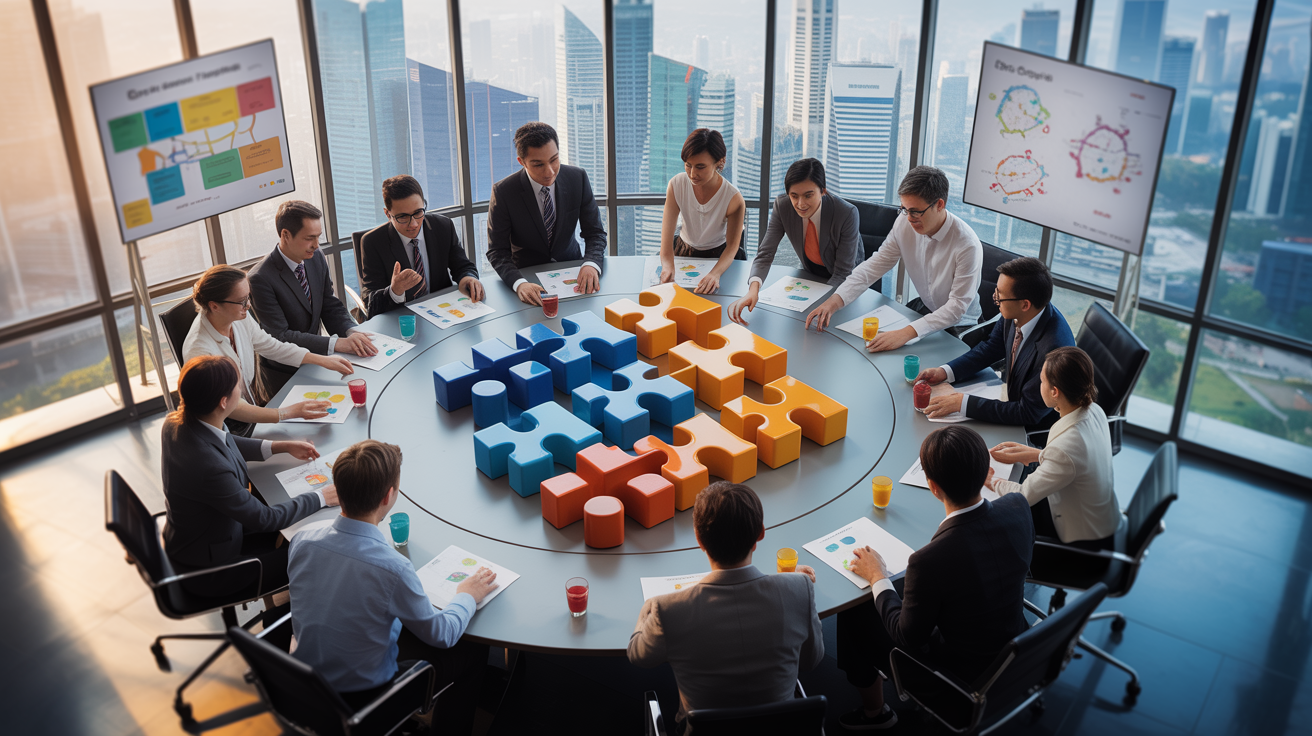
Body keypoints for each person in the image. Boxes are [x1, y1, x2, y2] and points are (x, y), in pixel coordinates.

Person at [289, 439, 497, 735]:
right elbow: (443, 635)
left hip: (307, 686)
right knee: (472, 650)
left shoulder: (302, 540)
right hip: (365, 700)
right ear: (389, 495)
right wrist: (466, 596)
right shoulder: (392, 567)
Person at [836, 425, 1033, 731]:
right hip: (1015, 646)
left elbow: (907, 637)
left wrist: (877, 576)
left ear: (933, 487)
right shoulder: (1018, 506)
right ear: (987, 472)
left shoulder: (929, 560)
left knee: (854, 612)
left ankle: (875, 713)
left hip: (957, 675)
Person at [628, 482, 824, 728]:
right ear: (760, 533)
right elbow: (811, 660)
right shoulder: (800, 588)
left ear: (699, 539)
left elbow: (638, 655)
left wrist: (649, 607)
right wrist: (786, 583)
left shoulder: (667, 610)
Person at [161, 355, 337, 601]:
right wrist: (322, 496)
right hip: (215, 567)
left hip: (199, 536)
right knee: (322, 552)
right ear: (224, 402)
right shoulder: (209, 467)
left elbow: (224, 440)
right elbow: (265, 519)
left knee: (299, 528)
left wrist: (280, 446)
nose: (241, 389)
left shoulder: (178, 420)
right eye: (236, 386)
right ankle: (294, 618)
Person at [805, 166, 983, 351]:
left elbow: (956, 308)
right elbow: (874, 265)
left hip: (960, 324)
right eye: (904, 209)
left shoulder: (967, 244)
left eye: (915, 211)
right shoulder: (904, 223)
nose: (909, 218)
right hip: (927, 306)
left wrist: (905, 333)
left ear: (939, 204)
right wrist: (835, 300)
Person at [183, 265, 354, 434]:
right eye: (242, 301)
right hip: (228, 427)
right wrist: (287, 413)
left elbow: (270, 346)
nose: (248, 305)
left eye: (248, 297)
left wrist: (322, 360)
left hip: (252, 407)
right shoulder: (199, 350)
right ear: (214, 306)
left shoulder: (236, 315)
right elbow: (229, 406)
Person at [987, 346, 1120, 561]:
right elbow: (1075, 460)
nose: (1039, 385)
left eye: (1042, 381)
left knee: (996, 524)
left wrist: (990, 480)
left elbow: (1023, 496)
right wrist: (1034, 454)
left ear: (1055, 392)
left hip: (1082, 536)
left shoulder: (1066, 447)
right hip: (1100, 516)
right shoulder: (1094, 409)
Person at [918, 257, 1075, 429]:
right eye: (996, 291)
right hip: (1009, 394)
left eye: (1000, 295)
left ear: (1025, 305)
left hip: (1031, 429)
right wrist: (946, 371)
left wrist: (962, 404)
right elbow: (991, 348)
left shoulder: (1053, 350)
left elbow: (1028, 412)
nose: (995, 299)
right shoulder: (1017, 312)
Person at [248, 200, 377, 397]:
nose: (316, 245)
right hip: (285, 373)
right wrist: (336, 344)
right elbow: (281, 336)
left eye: (318, 237)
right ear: (285, 235)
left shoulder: (316, 256)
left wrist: (351, 331)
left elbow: (329, 303)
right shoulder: (260, 279)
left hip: (318, 362)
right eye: (310, 238)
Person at [487, 122, 606, 306]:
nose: (549, 172)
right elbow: (497, 251)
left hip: (573, 272)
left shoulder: (578, 178)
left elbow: (595, 233)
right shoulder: (504, 192)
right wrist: (520, 284)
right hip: (527, 278)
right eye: (538, 164)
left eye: (554, 159)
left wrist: (591, 263)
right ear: (522, 161)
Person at [730, 157, 861, 324]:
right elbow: (765, 253)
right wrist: (753, 290)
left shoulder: (847, 213)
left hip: (845, 282)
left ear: (823, 191)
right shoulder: (783, 206)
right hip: (812, 273)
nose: (800, 204)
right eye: (794, 196)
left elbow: (843, 273)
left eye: (808, 195)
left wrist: (822, 304)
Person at [359, 175, 484, 316]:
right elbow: (370, 302)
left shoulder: (443, 226)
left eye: (418, 212)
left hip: (444, 312)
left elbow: (462, 266)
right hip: (402, 319)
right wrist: (394, 291)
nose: (413, 224)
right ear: (388, 214)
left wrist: (468, 279)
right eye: (403, 217)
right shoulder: (373, 242)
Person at [657, 128, 748, 295]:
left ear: (719, 162)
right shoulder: (676, 185)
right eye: (688, 165)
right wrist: (668, 265)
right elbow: (666, 236)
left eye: (700, 167)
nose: (692, 174)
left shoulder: (733, 198)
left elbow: (733, 247)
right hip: (683, 250)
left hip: (719, 257)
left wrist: (715, 274)